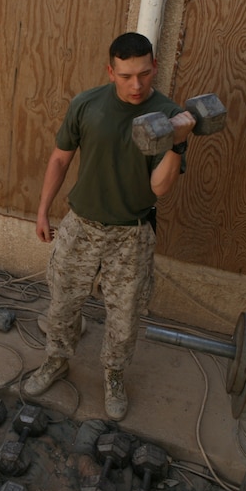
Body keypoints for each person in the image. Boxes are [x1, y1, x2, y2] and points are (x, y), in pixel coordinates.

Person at [24, 31, 196, 421]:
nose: (136, 85)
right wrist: (42, 210)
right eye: (126, 76)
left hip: (131, 234)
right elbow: (59, 160)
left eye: (144, 74)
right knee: (63, 302)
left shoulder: (168, 116)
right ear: (110, 71)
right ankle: (56, 360)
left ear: (154, 68)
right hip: (81, 225)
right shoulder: (87, 105)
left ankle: (114, 375)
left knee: (124, 316)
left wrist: (178, 143)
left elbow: (159, 188)